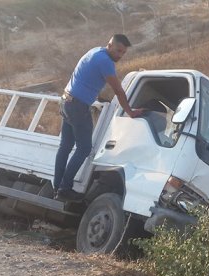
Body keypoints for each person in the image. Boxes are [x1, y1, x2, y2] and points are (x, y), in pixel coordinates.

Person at [54, 34, 143, 202]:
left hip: (66, 100)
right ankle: (64, 189)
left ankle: (57, 186)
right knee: (84, 148)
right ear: (110, 45)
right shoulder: (106, 62)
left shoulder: (95, 52)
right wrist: (130, 112)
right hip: (78, 106)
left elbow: (87, 79)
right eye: (118, 51)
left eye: (123, 53)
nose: (120, 55)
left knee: (65, 146)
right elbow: (118, 90)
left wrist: (97, 96)